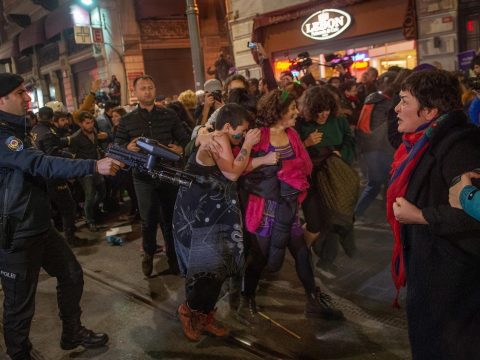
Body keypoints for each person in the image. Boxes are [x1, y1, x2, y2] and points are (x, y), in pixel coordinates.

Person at [0, 73, 122, 359]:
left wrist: (72, 161)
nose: (28, 97)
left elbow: (42, 159)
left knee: (71, 274)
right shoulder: (3, 136)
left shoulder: (19, 129)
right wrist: (93, 166)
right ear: (2, 98)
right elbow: (37, 163)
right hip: (16, 232)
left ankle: (71, 333)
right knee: (19, 305)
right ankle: (20, 355)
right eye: (20, 93)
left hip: (39, 225)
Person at [388, 69, 480, 359]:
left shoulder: (460, 145)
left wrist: (421, 215)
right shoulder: (423, 140)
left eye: (404, 101)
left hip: (452, 279)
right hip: (433, 270)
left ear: (429, 111)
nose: (396, 109)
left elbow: (473, 213)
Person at [238, 89, 344, 324]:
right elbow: (242, 168)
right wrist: (279, 172)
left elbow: (304, 165)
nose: (297, 112)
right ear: (278, 112)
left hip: (289, 208)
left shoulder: (293, 134)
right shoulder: (258, 136)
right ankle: (246, 299)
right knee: (259, 257)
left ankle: (312, 300)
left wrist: (288, 176)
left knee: (302, 253)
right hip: (265, 210)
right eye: (292, 109)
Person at [174, 104, 268, 341]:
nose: (243, 135)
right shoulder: (218, 138)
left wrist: (263, 158)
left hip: (214, 215)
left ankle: (205, 316)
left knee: (218, 270)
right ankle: (188, 312)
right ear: (228, 127)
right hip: (200, 217)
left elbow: (236, 167)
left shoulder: (219, 137)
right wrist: (247, 145)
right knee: (207, 271)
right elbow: (233, 174)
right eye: (242, 130)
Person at [115, 75, 190, 276]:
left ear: (155, 90)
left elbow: (186, 138)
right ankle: (147, 255)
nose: (147, 91)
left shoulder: (169, 115)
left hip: (167, 173)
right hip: (142, 176)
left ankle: (174, 259)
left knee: (170, 219)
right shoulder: (126, 120)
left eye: (150, 87)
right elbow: (115, 147)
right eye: (143, 88)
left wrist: (181, 148)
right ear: (136, 93)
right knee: (148, 219)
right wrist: (126, 147)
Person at [298, 86, 357, 278]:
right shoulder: (300, 124)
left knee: (334, 218)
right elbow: (290, 153)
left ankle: (326, 260)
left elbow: (350, 141)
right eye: (318, 111)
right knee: (314, 222)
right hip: (311, 179)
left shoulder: (338, 120)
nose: (324, 114)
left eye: (327, 110)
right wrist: (306, 144)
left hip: (334, 175)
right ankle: (300, 251)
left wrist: (343, 153)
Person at [31, 107, 82, 246]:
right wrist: (71, 156)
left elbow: (54, 143)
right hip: (52, 175)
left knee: (57, 207)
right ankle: (70, 238)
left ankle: (66, 232)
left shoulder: (35, 130)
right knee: (68, 206)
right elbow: (53, 153)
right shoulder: (47, 132)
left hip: (41, 175)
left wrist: (68, 140)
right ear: (52, 118)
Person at [69, 111, 107, 232]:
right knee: (89, 195)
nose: (90, 125)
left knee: (102, 192)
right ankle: (90, 220)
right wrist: (73, 173)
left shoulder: (94, 131)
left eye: (91, 122)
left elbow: (95, 146)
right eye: (87, 123)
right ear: (81, 124)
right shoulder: (75, 138)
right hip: (84, 170)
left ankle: (92, 213)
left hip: (96, 166)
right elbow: (72, 156)